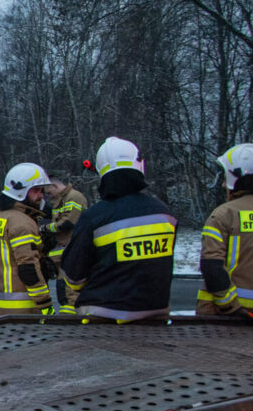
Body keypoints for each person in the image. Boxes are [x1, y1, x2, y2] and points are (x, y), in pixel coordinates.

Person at [59, 137, 175, 320]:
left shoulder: (94, 217)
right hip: (157, 312)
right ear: (139, 166)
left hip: (102, 315)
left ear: (101, 172)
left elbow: (73, 277)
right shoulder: (165, 214)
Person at [0, 163, 54, 315]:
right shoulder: (22, 223)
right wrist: (44, 302)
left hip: (2, 302)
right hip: (24, 305)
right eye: (36, 190)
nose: (41, 195)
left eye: (41, 190)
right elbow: (28, 268)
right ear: (21, 191)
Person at [196, 143, 253, 315]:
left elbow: (211, 266)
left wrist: (230, 307)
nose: (223, 185)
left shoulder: (223, 215)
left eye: (224, 177)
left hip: (223, 317)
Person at [40, 176, 89, 307]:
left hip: (74, 251)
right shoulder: (59, 200)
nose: (48, 196)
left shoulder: (74, 197)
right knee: (63, 292)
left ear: (55, 186)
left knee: (67, 292)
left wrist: (45, 228)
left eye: (49, 192)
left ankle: (72, 321)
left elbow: (67, 223)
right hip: (64, 252)